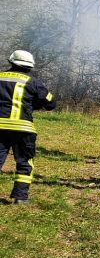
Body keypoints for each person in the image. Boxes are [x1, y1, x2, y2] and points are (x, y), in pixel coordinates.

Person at [0, 50, 56, 204]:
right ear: (30, 67)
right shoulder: (34, 83)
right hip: (23, 129)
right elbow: (50, 103)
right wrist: (32, 104)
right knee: (25, 161)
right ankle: (20, 197)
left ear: (11, 62)